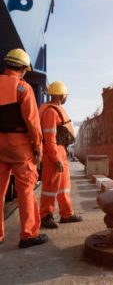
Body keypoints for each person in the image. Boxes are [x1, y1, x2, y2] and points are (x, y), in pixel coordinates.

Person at [0, 48, 48, 248]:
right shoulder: (23, 88)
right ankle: (28, 235)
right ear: (22, 68)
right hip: (20, 147)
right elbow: (33, 123)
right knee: (26, 191)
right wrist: (38, 149)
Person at [39, 81, 82, 228]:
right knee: (50, 188)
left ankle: (66, 214)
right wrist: (55, 159)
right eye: (65, 95)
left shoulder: (55, 109)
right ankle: (46, 216)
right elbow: (49, 138)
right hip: (53, 155)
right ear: (61, 95)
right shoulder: (50, 112)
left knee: (64, 186)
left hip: (60, 153)